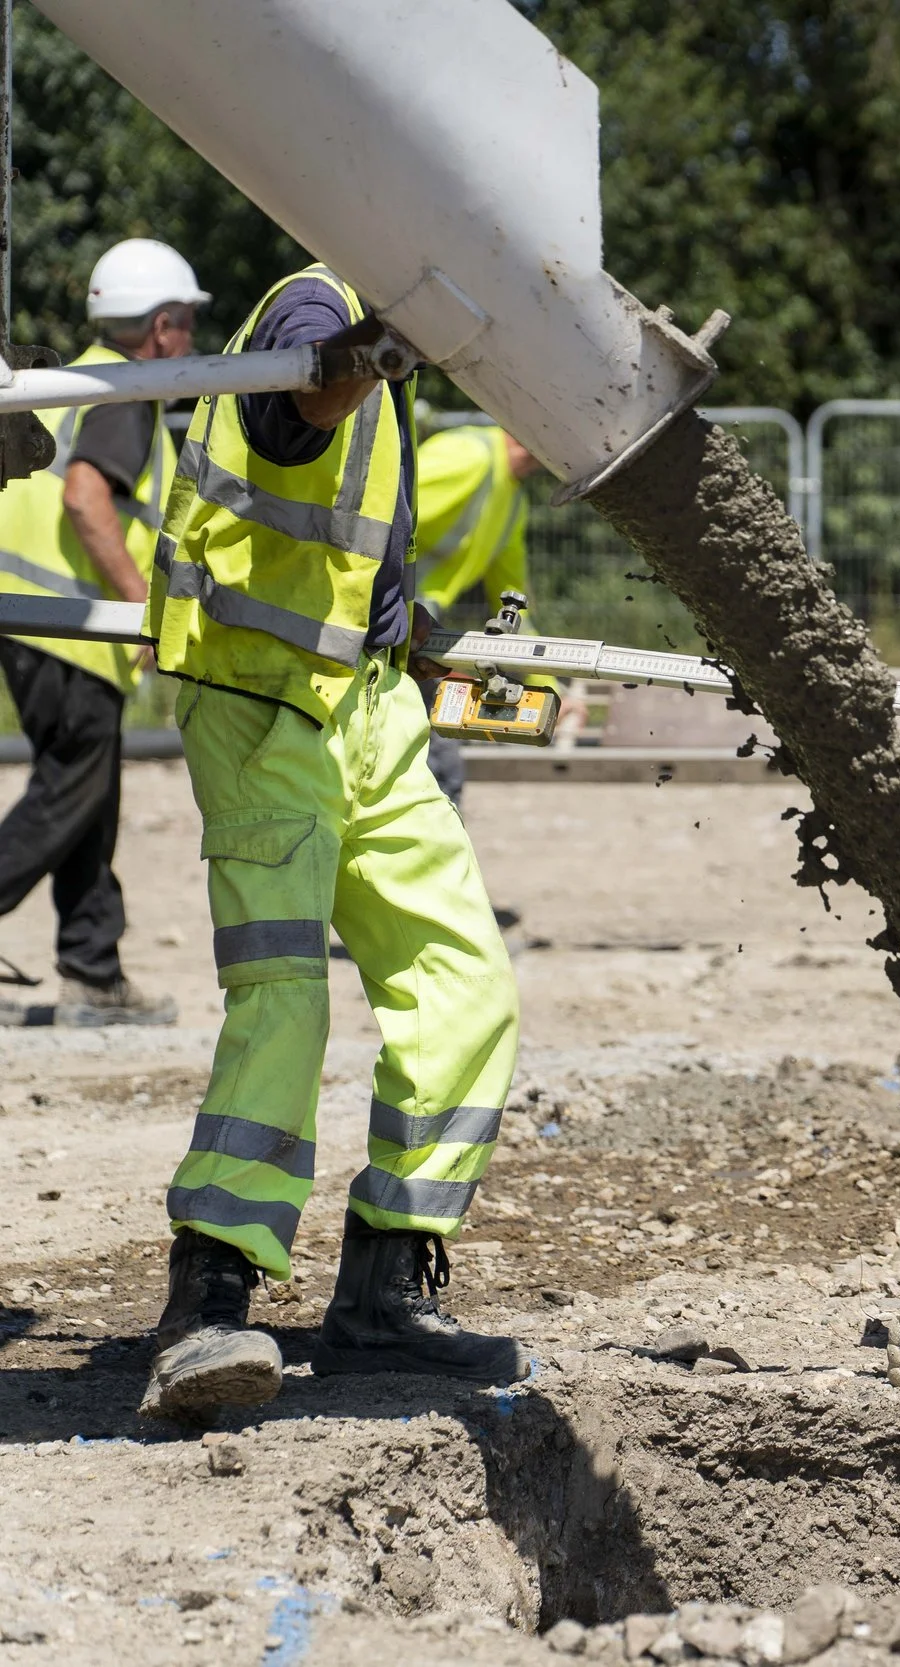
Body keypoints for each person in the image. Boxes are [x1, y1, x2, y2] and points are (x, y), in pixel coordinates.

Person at [139, 264, 524, 1420]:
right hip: (262, 703)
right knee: (285, 997)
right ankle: (207, 1295)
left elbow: (350, 547)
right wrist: (378, 350)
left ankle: (386, 1280)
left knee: (466, 984)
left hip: (368, 705)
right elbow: (298, 408)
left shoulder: (383, 343)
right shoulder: (320, 308)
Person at [0, 239, 203, 1026]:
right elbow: (86, 498)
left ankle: (93, 965)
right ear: (160, 327)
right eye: (186, 323)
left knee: (89, 792)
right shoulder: (122, 392)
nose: (191, 340)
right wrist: (143, 607)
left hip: (36, 619)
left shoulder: (67, 378)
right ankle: (92, 964)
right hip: (75, 626)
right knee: (68, 793)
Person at [410, 422, 537, 810]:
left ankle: (441, 813)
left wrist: (548, 681)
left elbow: (515, 606)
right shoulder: (468, 457)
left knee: (428, 738)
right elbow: (377, 516)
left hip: (416, 625)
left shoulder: (512, 500)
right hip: (384, 616)